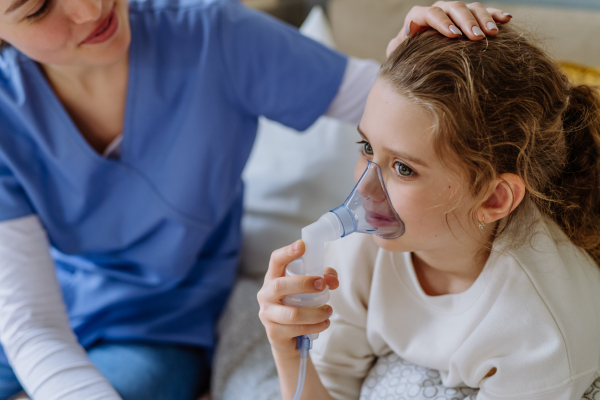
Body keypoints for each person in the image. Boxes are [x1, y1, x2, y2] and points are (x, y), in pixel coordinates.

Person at [0, 0, 512, 398]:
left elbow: (412, 122)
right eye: (37, 8)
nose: (90, 10)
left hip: (157, 325)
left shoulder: (214, 38)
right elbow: (30, 323)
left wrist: (422, 57)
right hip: (31, 312)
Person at [258, 23, 600, 400]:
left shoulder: (542, 334)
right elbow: (332, 387)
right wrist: (288, 350)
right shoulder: (360, 253)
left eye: (404, 168)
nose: (365, 192)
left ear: (493, 200)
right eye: (367, 148)